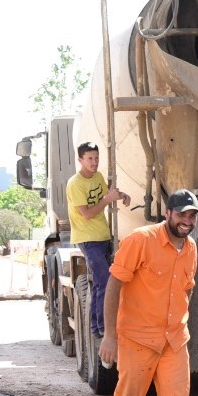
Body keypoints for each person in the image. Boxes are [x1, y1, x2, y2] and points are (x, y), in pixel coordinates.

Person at [98, 189, 198, 396]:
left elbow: (186, 290)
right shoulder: (140, 241)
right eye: (181, 215)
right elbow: (114, 286)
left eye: (192, 216)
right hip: (138, 338)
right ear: (167, 213)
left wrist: (180, 323)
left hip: (174, 340)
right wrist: (109, 336)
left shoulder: (190, 248)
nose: (187, 221)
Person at [65, 142, 131, 339]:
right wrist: (107, 200)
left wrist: (122, 195)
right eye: (90, 159)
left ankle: (96, 327)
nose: (94, 163)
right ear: (80, 160)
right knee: (105, 281)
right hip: (87, 239)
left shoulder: (98, 177)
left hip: (102, 235)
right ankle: (103, 328)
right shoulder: (75, 184)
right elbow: (87, 213)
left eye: (96, 158)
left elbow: (107, 195)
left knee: (102, 283)